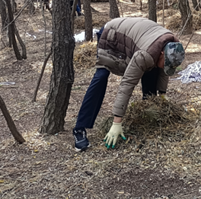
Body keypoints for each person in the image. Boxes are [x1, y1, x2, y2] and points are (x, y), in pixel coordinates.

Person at [72, 17, 185, 152]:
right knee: (101, 76)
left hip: (138, 39)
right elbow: (127, 84)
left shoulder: (173, 47)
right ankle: (79, 128)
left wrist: (162, 94)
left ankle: (146, 116)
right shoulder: (145, 55)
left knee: (153, 69)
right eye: (165, 63)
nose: (165, 68)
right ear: (162, 53)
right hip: (112, 35)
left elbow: (164, 70)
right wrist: (117, 122)